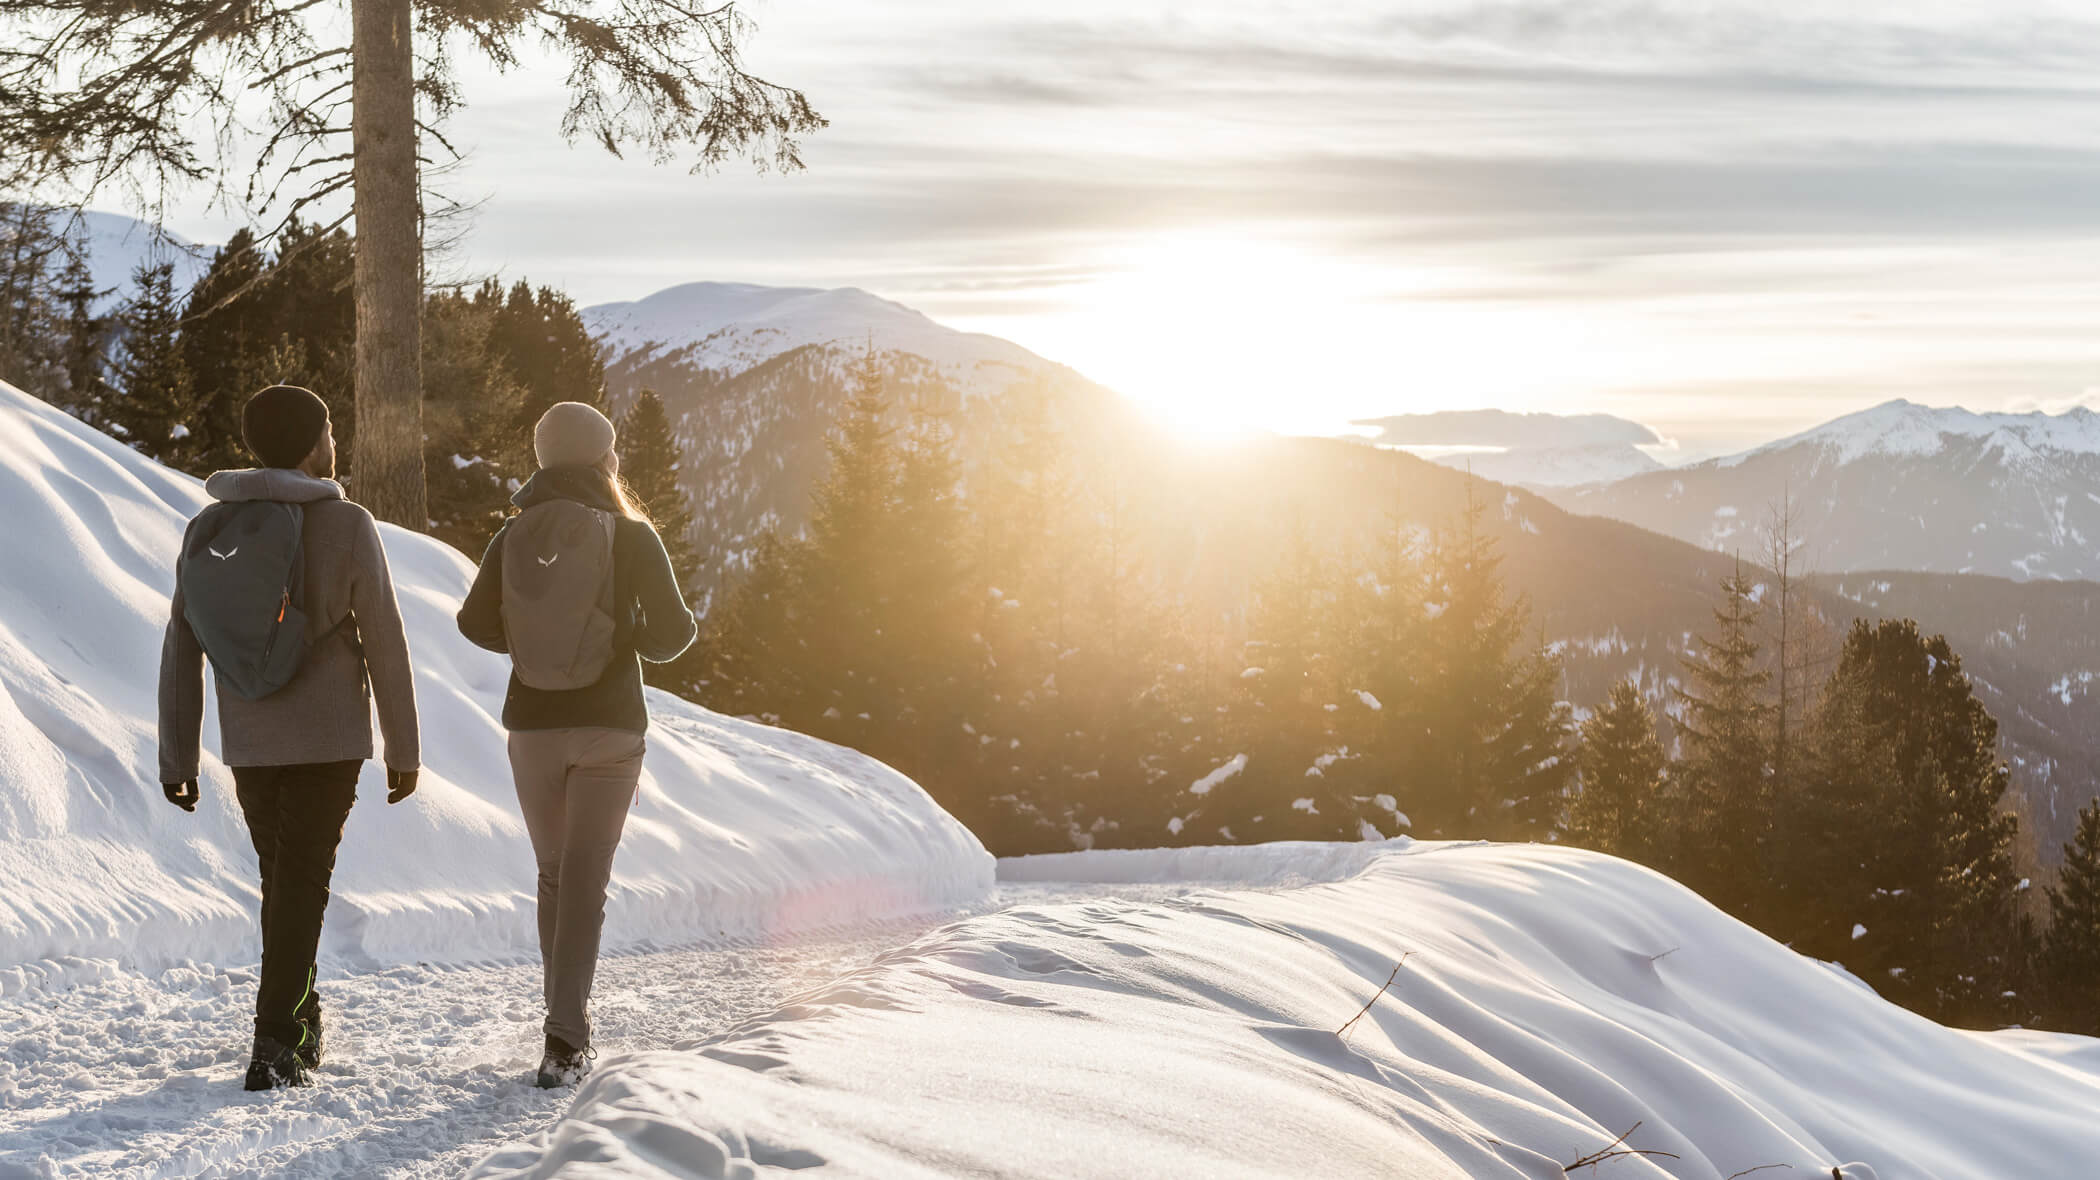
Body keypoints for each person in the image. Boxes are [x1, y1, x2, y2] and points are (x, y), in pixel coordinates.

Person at [157, 384, 421, 1091]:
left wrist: (177, 755)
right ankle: (275, 1037)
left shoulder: (210, 529)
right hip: (329, 737)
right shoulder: (348, 524)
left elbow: (181, 646)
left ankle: (301, 1021)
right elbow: (386, 642)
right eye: (330, 427)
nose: (334, 439)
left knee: (286, 881)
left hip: (248, 738)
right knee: (300, 882)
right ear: (314, 442)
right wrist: (404, 748)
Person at [456, 401, 696, 1088]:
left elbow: (475, 622)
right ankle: (565, 1041)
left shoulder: (512, 533)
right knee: (585, 882)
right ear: (602, 457)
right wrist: (625, 639)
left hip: (531, 728)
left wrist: (531, 644)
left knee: (556, 875)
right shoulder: (630, 533)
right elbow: (674, 635)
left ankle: (561, 1024)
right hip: (611, 727)